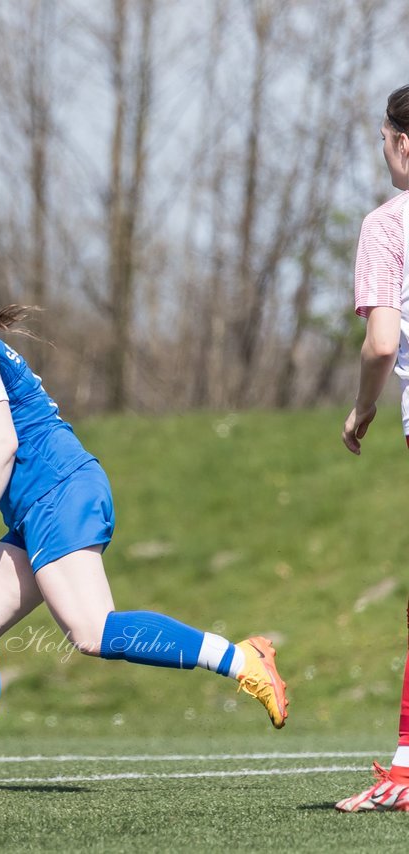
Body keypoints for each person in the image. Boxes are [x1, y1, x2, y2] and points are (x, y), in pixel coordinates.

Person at [0, 243, 289, 798]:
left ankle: (241, 658)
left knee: (93, 631)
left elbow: (1, 445)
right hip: (37, 504)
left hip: (60, 491)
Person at [335, 84, 409, 814]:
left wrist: (362, 411)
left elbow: (382, 341)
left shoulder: (388, 226)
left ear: (403, 143)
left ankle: (408, 769)